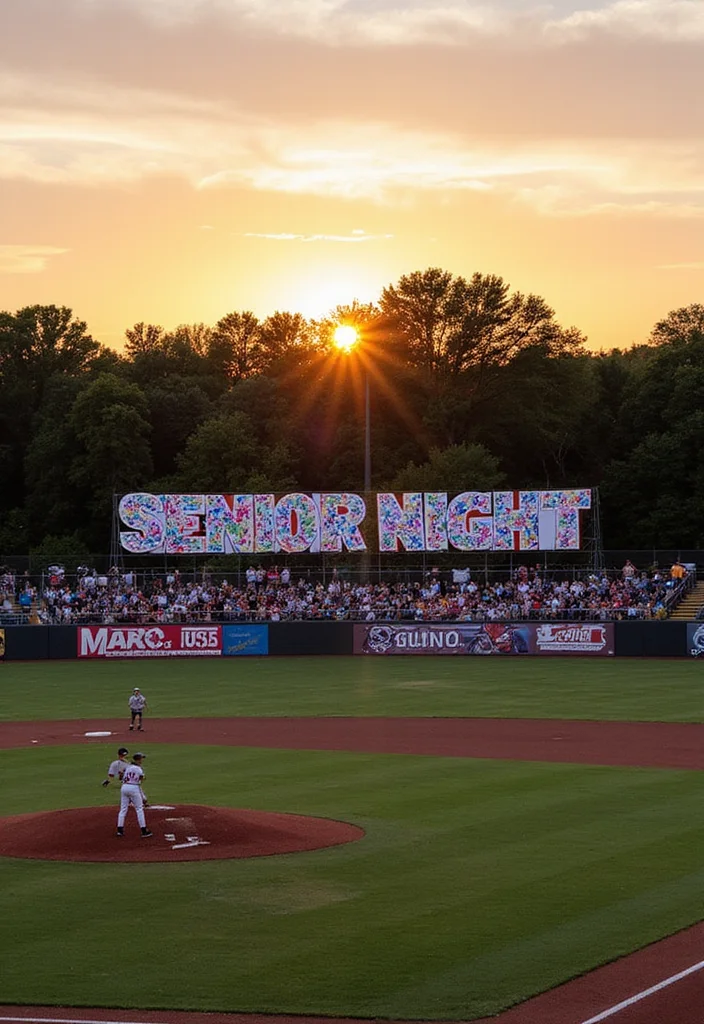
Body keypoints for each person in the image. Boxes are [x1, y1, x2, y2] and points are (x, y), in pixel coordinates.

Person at [116, 753, 152, 837]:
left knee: (123, 809)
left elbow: (121, 777)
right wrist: (143, 797)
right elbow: (141, 779)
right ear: (138, 760)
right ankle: (144, 831)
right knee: (139, 809)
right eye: (141, 759)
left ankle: (119, 830)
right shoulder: (138, 769)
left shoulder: (128, 767)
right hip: (134, 787)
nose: (142, 760)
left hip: (124, 787)